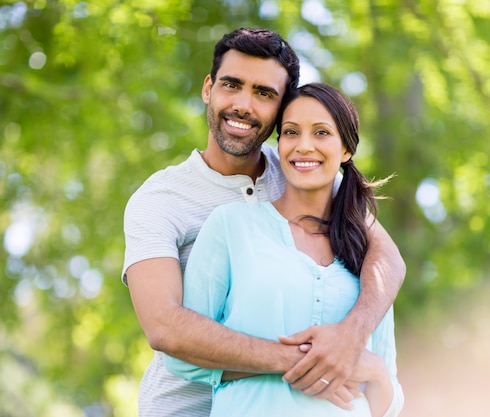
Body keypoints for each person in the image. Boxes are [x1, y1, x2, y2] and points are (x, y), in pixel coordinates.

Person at [122, 28, 405, 416]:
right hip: (183, 407)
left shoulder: (303, 170)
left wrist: (351, 338)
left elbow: (386, 258)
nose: (243, 105)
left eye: (264, 93)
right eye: (231, 85)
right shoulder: (161, 200)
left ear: (282, 107)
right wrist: (312, 362)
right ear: (208, 88)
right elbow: (164, 326)